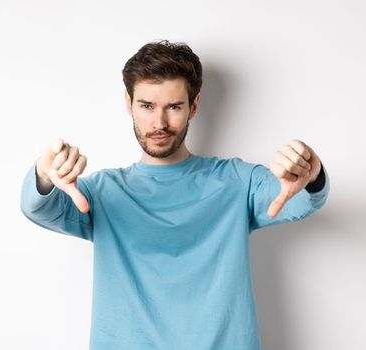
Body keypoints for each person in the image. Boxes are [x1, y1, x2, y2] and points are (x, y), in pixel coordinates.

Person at [19, 40, 329, 349]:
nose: (159, 123)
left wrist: (310, 174)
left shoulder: (238, 182)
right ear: (129, 104)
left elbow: (298, 198)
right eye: (147, 106)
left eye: (174, 107)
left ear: (193, 106)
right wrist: (44, 174)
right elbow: (41, 208)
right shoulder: (102, 193)